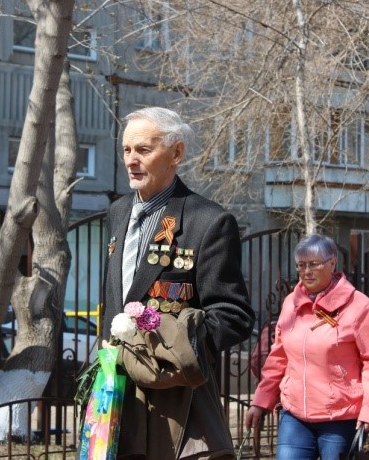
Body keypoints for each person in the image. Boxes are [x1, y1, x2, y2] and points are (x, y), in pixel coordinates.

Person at [101, 107, 255, 460]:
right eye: (126, 150)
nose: (131, 160)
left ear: (176, 154)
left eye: (143, 149)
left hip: (176, 400)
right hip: (118, 391)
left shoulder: (208, 221)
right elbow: (115, 302)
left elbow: (234, 315)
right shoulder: (118, 212)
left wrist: (176, 350)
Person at [244, 234, 369, 460]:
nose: (306, 272)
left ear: (332, 263)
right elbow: (279, 356)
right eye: (301, 265)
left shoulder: (359, 306)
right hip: (295, 415)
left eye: (314, 264)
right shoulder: (291, 303)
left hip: (340, 417)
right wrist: (261, 400)